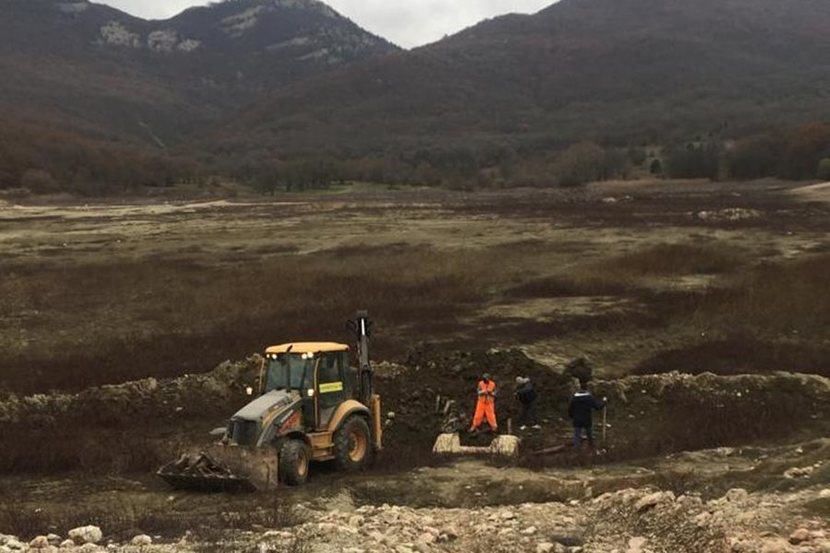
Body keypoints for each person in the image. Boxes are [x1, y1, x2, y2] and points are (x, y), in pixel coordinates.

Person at [567, 383, 605, 448]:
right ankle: (591, 446)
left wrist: (571, 416)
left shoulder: (574, 398)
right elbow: (597, 407)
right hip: (587, 419)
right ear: (587, 389)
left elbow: (570, 408)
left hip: (577, 419)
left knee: (577, 434)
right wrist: (604, 402)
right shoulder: (589, 398)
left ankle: (576, 448)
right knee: (589, 434)